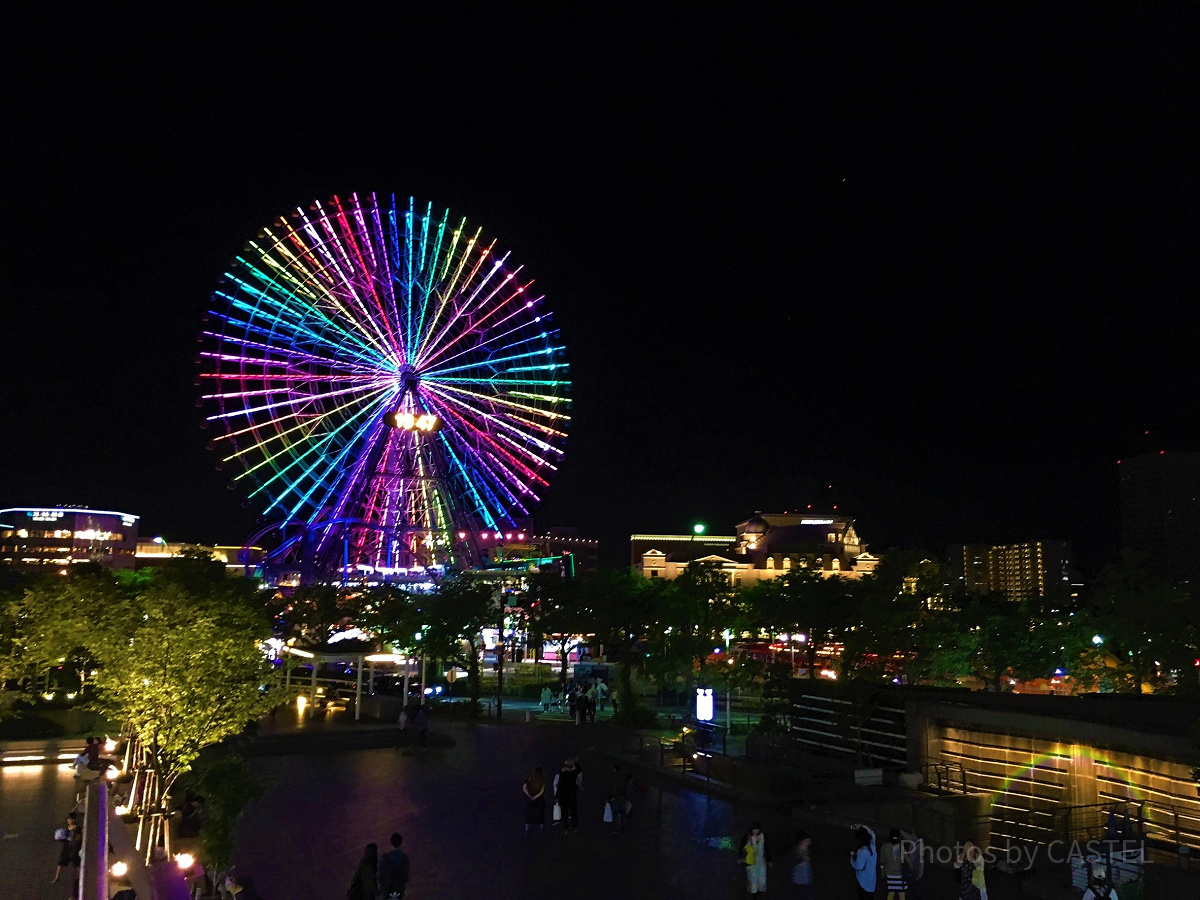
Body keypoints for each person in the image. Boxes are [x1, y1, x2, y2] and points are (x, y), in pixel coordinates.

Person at [377, 832, 410, 900]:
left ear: (391, 842)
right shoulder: (405, 859)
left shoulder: (385, 858)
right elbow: (406, 876)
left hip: (387, 890)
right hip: (399, 889)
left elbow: (380, 876)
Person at [52, 812, 82, 886]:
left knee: (76, 863)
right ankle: (57, 877)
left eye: (70, 819)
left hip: (74, 848)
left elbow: (78, 838)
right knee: (60, 862)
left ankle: (82, 878)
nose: (68, 821)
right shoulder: (66, 827)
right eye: (68, 819)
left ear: (73, 820)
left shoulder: (77, 828)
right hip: (66, 847)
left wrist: (71, 837)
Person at [850, 825, 877, 899]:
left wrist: (852, 857)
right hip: (872, 882)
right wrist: (863, 826)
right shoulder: (872, 846)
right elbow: (872, 834)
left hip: (863, 883)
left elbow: (858, 866)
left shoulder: (862, 851)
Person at [742, 823, 769, 895]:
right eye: (754, 829)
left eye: (757, 829)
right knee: (752, 879)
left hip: (761, 861)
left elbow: (766, 848)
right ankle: (753, 894)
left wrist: (769, 860)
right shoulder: (748, 837)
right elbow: (743, 847)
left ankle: (760, 892)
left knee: (762, 879)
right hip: (751, 861)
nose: (755, 831)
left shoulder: (762, 836)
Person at [881, 828, 908, 899]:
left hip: (890, 874)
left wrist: (883, 873)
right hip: (900, 875)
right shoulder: (901, 847)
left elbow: (882, 861)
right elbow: (907, 860)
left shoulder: (884, 846)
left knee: (890, 893)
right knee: (902, 895)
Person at [556, 758, 580, 833]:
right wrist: (574, 763)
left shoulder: (562, 775)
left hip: (564, 797)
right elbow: (578, 769)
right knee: (573, 812)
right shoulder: (573, 774)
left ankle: (566, 828)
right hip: (572, 796)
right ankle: (575, 827)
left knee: (564, 813)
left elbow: (559, 786)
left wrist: (557, 796)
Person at [606, 763, 631, 832]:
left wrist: (608, 798)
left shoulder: (612, 777)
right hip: (622, 798)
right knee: (623, 812)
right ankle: (623, 827)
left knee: (615, 813)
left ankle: (616, 828)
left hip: (614, 798)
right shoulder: (624, 777)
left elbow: (610, 788)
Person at [790, 831, 813, 899]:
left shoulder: (806, 851)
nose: (809, 842)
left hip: (806, 881)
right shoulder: (797, 851)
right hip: (799, 881)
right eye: (808, 840)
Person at [523, 768, 546, 834]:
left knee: (529, 813)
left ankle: (527, 828)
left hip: (530, 799)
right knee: (540, 813)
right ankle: (541, 828)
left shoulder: (529, 778)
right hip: (539, 800)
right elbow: (542, 790)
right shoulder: (541, 780)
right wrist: (536, 796)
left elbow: (524, 787)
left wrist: (529, 795)